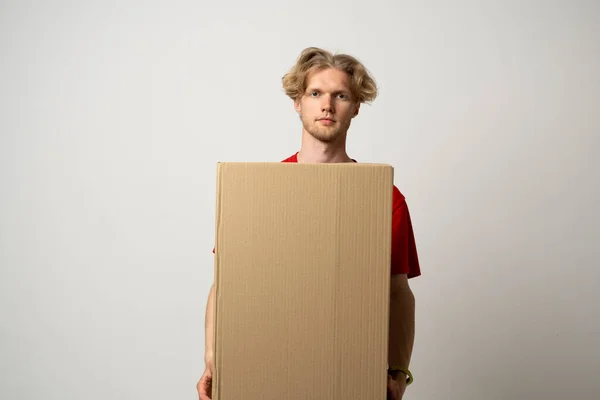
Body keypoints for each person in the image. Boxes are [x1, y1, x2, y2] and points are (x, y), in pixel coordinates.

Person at [197, 47, 421, 400]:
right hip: (267, 371)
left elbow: (398, 292)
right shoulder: (259, 191)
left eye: (341, 95)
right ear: (298, 103)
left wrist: (398, 373)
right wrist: (213, 360)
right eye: (315, 93)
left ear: (356, 106)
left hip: (350, 377)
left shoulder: (385, 198)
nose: (327, 105)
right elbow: (225, 284)